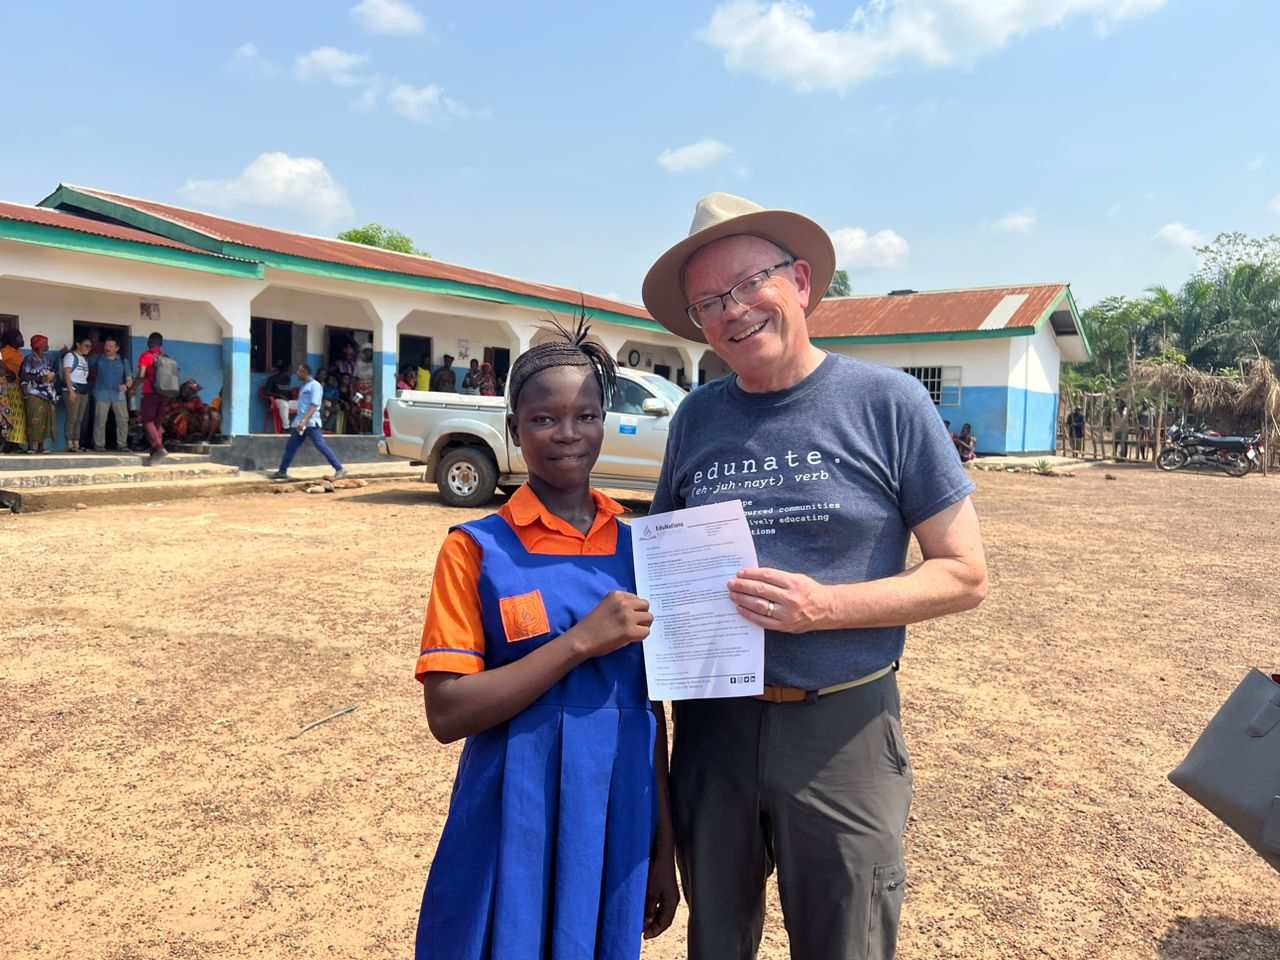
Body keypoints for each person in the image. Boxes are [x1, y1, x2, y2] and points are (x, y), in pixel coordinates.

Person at [641, 192, 987, 960]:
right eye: (707, 303)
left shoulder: (888, 403)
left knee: (846, 938)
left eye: (747, 284)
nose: (733, 312)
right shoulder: (696, 417)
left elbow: (964, 575)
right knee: (717, 937)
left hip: (842, 729)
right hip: (713, 730)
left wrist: (824, 607)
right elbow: (665, 562)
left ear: (799, 282)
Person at [412, 318, 677, 959]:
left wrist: (663, 846)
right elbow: (447, 713)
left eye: (586, 416)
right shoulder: (476, 549)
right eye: (543, 419)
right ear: (513, 429)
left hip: (615, 802)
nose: (567, 434)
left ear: (604, 423)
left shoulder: (643, 548)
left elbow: (654, 708)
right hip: (514, 805)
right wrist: (579, 642)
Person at [269, 363, 346, 481]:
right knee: (291, 446)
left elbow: (315, 406)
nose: (297, 373)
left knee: (320, 445)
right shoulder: (305, 386)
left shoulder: (315, 386)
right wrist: (300, 421)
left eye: (299, 371)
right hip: (299, 423)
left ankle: (339, 468)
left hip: (310, 423)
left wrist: (304, 421)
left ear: (305, 372)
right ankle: (282, 471)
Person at [133, 332, 172, 463]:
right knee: (157, 423)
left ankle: (159, 447)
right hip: (165, 394)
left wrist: (133, 387)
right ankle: (155, 451)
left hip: (150, 393)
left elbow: (141, 375)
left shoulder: (146, 356)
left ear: (149, 342)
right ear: (161, 344)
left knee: (147, 420)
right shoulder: (167, 357)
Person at [91, 334, 133, 452]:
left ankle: (122, 445)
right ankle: (99, 444)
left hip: (118, 395)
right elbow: (83, 364)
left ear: (117, 348)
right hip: (102, 393)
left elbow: (129, 379)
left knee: (122, 420)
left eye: (110, 346)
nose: (107, 348)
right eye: (106, 345)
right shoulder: (98, 359)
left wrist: (126, 386)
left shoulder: (123, 361)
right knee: (100, 420)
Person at [20, 334, 59, 454]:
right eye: (45, 344)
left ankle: (41, 446)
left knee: (45, 419)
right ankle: (31, 447)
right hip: (33, 392)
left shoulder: (47, 359)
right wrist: (40, 378)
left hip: (47, 393)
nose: (47, 346)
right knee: (34, 418)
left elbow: (51, 373)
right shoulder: (29, 359)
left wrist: (52, 379)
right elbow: (23, 376)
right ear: (39, 346)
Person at [62, 336, 93, 452]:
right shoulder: (71, 356)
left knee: (79, 419)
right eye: (86, 345)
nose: (89, 348)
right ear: (78, 344)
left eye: (90, 346)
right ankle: (69, 443)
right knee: (72, 417)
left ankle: (77, 443)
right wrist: (71, 391)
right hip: (74, 389)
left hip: (83, 391)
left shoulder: (84, 359)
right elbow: (66, 374)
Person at [0, 328, 27, 453]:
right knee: (9, 415)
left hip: (17, 386)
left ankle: (15, 443)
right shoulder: (6, 351)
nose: (22, 340)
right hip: (8, 387)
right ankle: (8, 443)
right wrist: (8, 372)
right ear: (12, 340)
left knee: (18, 416)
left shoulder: (18, 352)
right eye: (20, 338)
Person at [264, 359, 293, 433]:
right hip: (275, 402)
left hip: (287, 401)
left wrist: (292, 395)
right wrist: (279, 395)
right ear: (285, 372)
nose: (292, 373)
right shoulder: (272, 379)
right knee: (284, 405)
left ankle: (300, 427)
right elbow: (266, 392)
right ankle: (286, 427)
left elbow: (288, 392)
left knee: (302, 404)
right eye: (290, 371)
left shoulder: (287, 380)